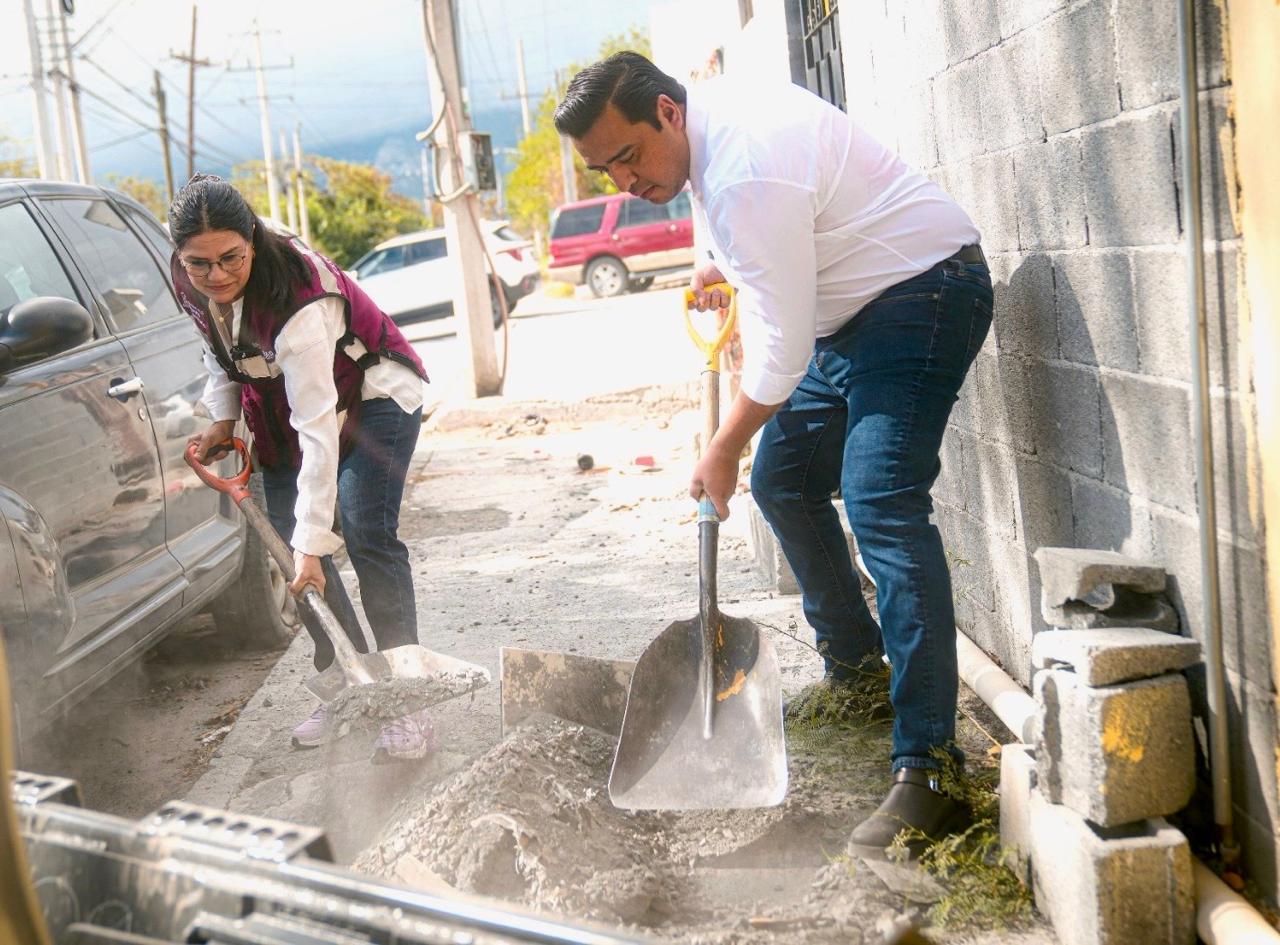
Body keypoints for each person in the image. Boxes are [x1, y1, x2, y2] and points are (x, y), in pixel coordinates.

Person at [555, 54, 993, 856]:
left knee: (880, 498)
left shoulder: (746, 166)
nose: (623, 181)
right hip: (853, 313)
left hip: (924, 291)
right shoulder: (705, 132)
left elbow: (783, 350)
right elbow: (757, 244)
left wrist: (722, 446)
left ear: (667, 112)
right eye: (604, 168)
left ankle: (931, 768)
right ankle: (861, 674)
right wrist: (712, 264)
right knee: (783, 480)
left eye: (628, 155)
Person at [171, 175, 434, 762]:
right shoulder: (189, 281)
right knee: (294, 553)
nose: (217, 276)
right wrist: (223, 418)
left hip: (372, 396)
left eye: (230, 258)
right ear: (180, 255)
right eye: (199, 264)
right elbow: (223, 350)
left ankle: (408, 695)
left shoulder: (298, 300)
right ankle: (348, 681)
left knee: (365, 532)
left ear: (254, 242)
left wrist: (315, 544)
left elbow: (318, 432)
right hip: (285, 405)